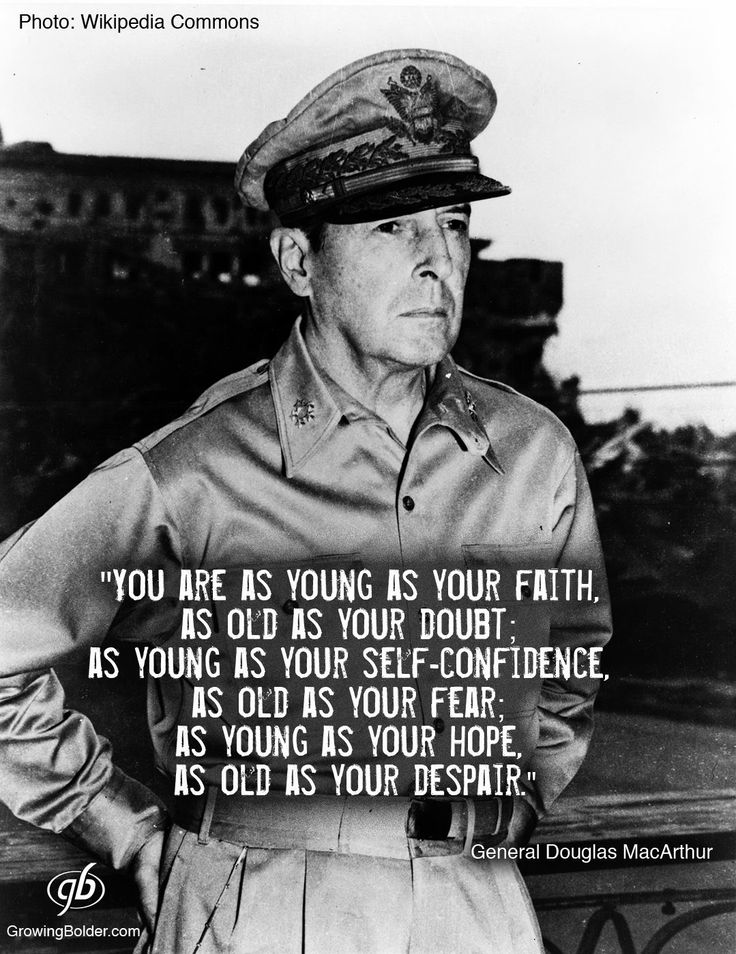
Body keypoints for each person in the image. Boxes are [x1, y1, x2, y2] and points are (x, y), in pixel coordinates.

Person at [0, 49, 611, 953]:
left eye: (451, 223)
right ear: (297, 260)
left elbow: (572, 647)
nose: (438, 261)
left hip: (477, 907)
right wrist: (114, 823)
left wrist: (523, 784)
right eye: (390, 231)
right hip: (261, 904)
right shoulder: (192, 469)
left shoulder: (532, 454)